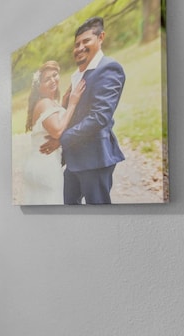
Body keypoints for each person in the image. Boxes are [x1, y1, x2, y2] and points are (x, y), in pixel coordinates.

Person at [44, 16, 126, 204]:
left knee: (98, 216)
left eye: (86, 41)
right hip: (74, 159)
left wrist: (60, 139)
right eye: (77, 44)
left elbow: (99, 117)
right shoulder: (79, 74)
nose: (79, 47)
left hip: (94, 159)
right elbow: (75, 114)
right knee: (69, 210)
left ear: (101, 37)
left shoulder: (108, 68)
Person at [23, 60, 85, 204]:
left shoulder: (47, 103)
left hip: (36, 164)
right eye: (46, 79)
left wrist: (63, 104)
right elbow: (57, 131)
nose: (52, 80)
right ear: (39, 87)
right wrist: (72, 103)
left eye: (55, 75)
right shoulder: (44, 103)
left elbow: (54, 119)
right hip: (46, 165)